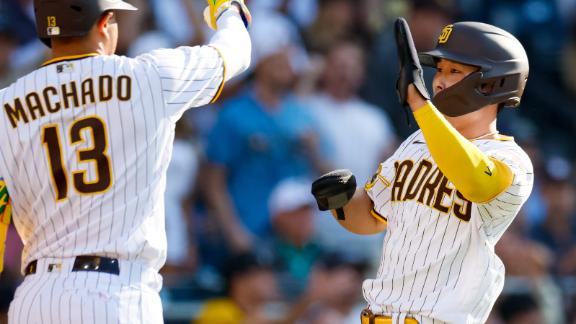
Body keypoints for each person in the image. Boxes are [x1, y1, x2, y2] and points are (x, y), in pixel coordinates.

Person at [0, 0, 252, 323]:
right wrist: (229, 11)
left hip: (37, 296)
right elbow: (235, 53)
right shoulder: (147, 77)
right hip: (116, 294)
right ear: (104, 23)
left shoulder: (6, 107)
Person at [311, 18, 534, 323]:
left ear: (492, 83)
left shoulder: (512, 160)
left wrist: (421, 106)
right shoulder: (417, 141)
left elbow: (476, 181)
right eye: (439, 70)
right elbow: (372, 218)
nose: (439, 80)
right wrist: (341, 202)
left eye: (454, 71)